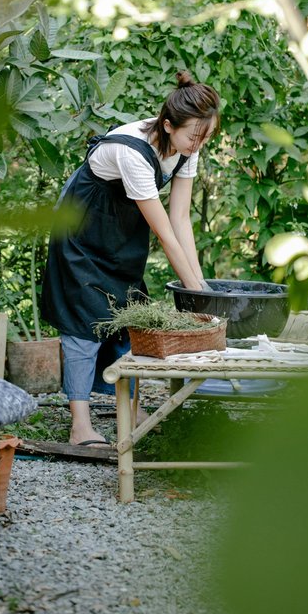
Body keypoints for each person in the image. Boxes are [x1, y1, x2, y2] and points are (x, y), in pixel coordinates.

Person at [41, 70, 220, 447]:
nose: (198, 143)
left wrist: (201, 285)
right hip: (81, 235)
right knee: (83, 327)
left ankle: (132, 410)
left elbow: (181, 218)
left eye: (205, 137)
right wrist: (198, 297)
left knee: (128, 319)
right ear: (168, 124)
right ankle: (80, 426)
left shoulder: (187, 146)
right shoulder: (131, 152)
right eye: (193, 136)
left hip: (119, 236)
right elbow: (165, 234)